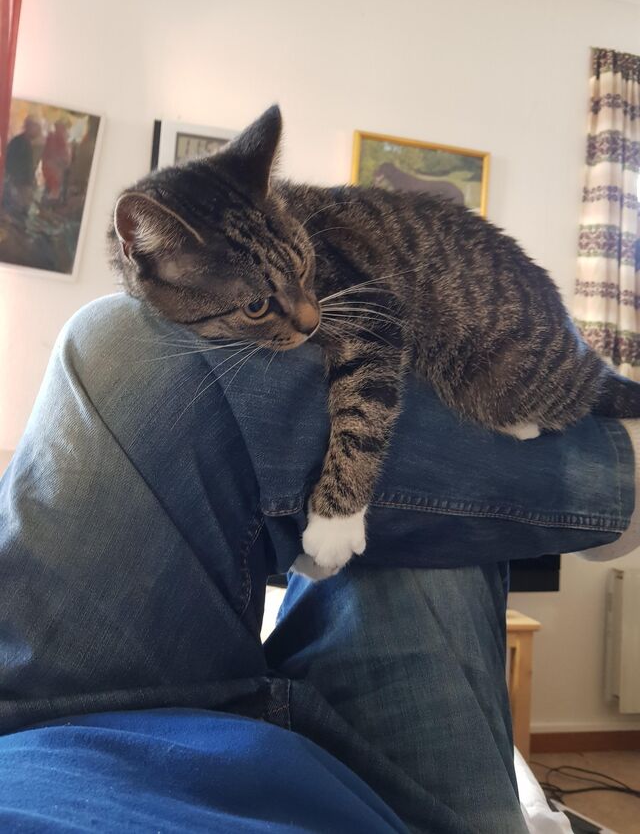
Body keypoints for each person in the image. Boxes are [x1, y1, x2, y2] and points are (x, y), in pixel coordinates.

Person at [0, 293, 637, 833]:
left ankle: (607, 477)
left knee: (122, 342)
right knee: (417, 537)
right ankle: (609, 474)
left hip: (53, 734)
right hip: (126, 779)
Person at [2, 114, 42, 218]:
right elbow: (11, 164)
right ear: (29, 126)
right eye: (37, 127)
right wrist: (20, 184)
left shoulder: (24, 142)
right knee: (17, 213)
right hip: (19, 186)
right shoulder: (19, 143)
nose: (39, 131)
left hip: (21, 186)